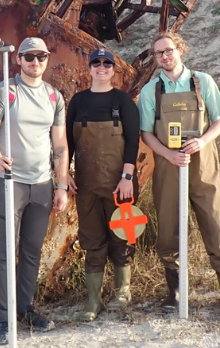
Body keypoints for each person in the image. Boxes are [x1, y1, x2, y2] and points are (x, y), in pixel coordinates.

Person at [136, 31, 220, 316]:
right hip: (169, 165)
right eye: (159, 53)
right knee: (169, 225)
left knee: (214, 222)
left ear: (180, 50)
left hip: (203, 163)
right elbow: (146, 133)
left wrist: (202, 141)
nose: (164, 56)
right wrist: (168, 154)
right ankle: (174, 293)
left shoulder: (203, 82)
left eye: (169, 50)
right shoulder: (151, 91)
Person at [0, 37, 70, 343]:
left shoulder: (55, 97)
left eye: (41, 57)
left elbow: (59, 145)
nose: (35, 62)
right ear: (18, 59)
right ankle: (3, 320)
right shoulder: (5, 91)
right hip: (10, 183)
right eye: (29, 57)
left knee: (31, 251)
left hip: (42, 184)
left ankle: (25, 308)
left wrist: (60, 184)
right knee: (5, 253)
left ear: (47, 60)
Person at [64, 48, 141, 321]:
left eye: (106, 63)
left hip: (120, 186)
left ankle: (123, 293)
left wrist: (127, 178)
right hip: (86, 187)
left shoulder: (123, 101)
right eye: (96, 63)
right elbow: (67, 144)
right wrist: (64, 174)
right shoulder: (78, 101)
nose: (101, 67)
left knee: (122, 238)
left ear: (113, 70)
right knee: (92, 243)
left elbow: (133, 141)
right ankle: (93, 302)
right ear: (89, 69)